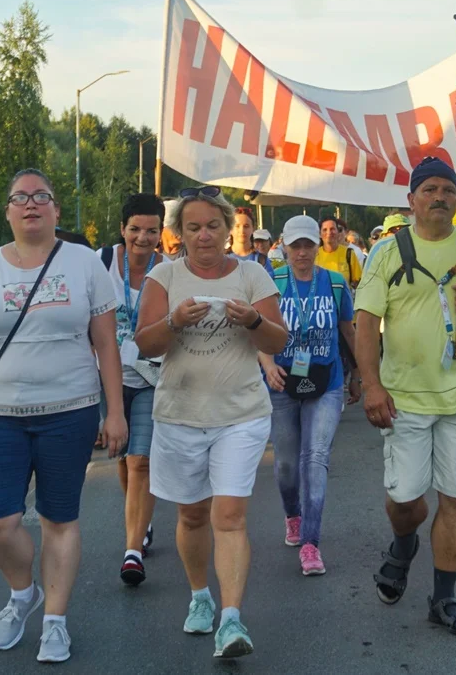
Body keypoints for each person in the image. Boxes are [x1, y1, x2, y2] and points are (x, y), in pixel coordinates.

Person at [0, 168, 127, 664]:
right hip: (2, 416)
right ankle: (21, 594)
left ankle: (55, 620)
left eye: (41, 197)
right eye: (20, 198)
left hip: (70, 412)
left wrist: (114, 411)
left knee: (59, 517)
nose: (30, 205)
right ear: (8, 212)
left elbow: (106, 343)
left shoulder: (83, 264)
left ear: (55, 208)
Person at [356, 156, 456, 637]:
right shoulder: (387, 252)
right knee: (404, 500)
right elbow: (364, 325)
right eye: (430, 190)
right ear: (412, 200)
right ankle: (404, 544)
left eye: (448, 189)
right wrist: (372, 386)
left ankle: (444, 598)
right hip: (404, 397)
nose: (440, 197)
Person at [134, 186, 289, 660]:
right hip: (180, 415)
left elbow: (280, 340)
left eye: (214, 226)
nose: (205, 235)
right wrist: (175, 320)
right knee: (191, 514)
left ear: (227, 229)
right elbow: (145, 344)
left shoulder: (252, 275)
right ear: (179, 234)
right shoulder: (163, 277)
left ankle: (231, 619)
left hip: (240, 415)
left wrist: (253, 324)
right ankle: (201, 595)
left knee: (229, 516)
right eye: (194, 227)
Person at [258, 215, 359, 577]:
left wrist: (361, 374)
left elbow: (348, 330)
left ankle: (311, 543)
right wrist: (268, 365)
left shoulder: (334, 283)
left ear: (318, 246)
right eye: (295, 245)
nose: (302, 252)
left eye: (308, 245)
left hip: (326, 381)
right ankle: (293, 516)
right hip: (282, 382)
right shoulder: (272, 282)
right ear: (283, 246)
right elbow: (256, 331)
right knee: (286, 464)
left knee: (315, 458)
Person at [100, 193, 166, 586]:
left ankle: (133, 550)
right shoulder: (101, 263)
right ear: (123, 229)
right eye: (135, 229)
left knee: (141, 460)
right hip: (108, 379)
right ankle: (141, 520)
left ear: (161, 232)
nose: (143, 238)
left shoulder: (169, 269)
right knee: (123, 460)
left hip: (151, 379)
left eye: (152, 230)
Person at [316, 216, 362, 290]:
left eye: (332, 229)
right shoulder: (315, 255)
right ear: (320, 234)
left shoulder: (349, 254)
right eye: (325, 230)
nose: (329, 233)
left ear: (338, 232)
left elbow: (359, 284)